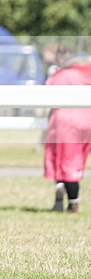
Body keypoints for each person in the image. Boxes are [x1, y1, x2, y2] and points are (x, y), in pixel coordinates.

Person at [44, 53, 91, 213]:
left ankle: (64, 191)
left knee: (64, 160)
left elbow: (47, 91)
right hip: (87, 121)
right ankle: (72, 199)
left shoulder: (63, 75)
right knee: (77, 160)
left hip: (65, 122)